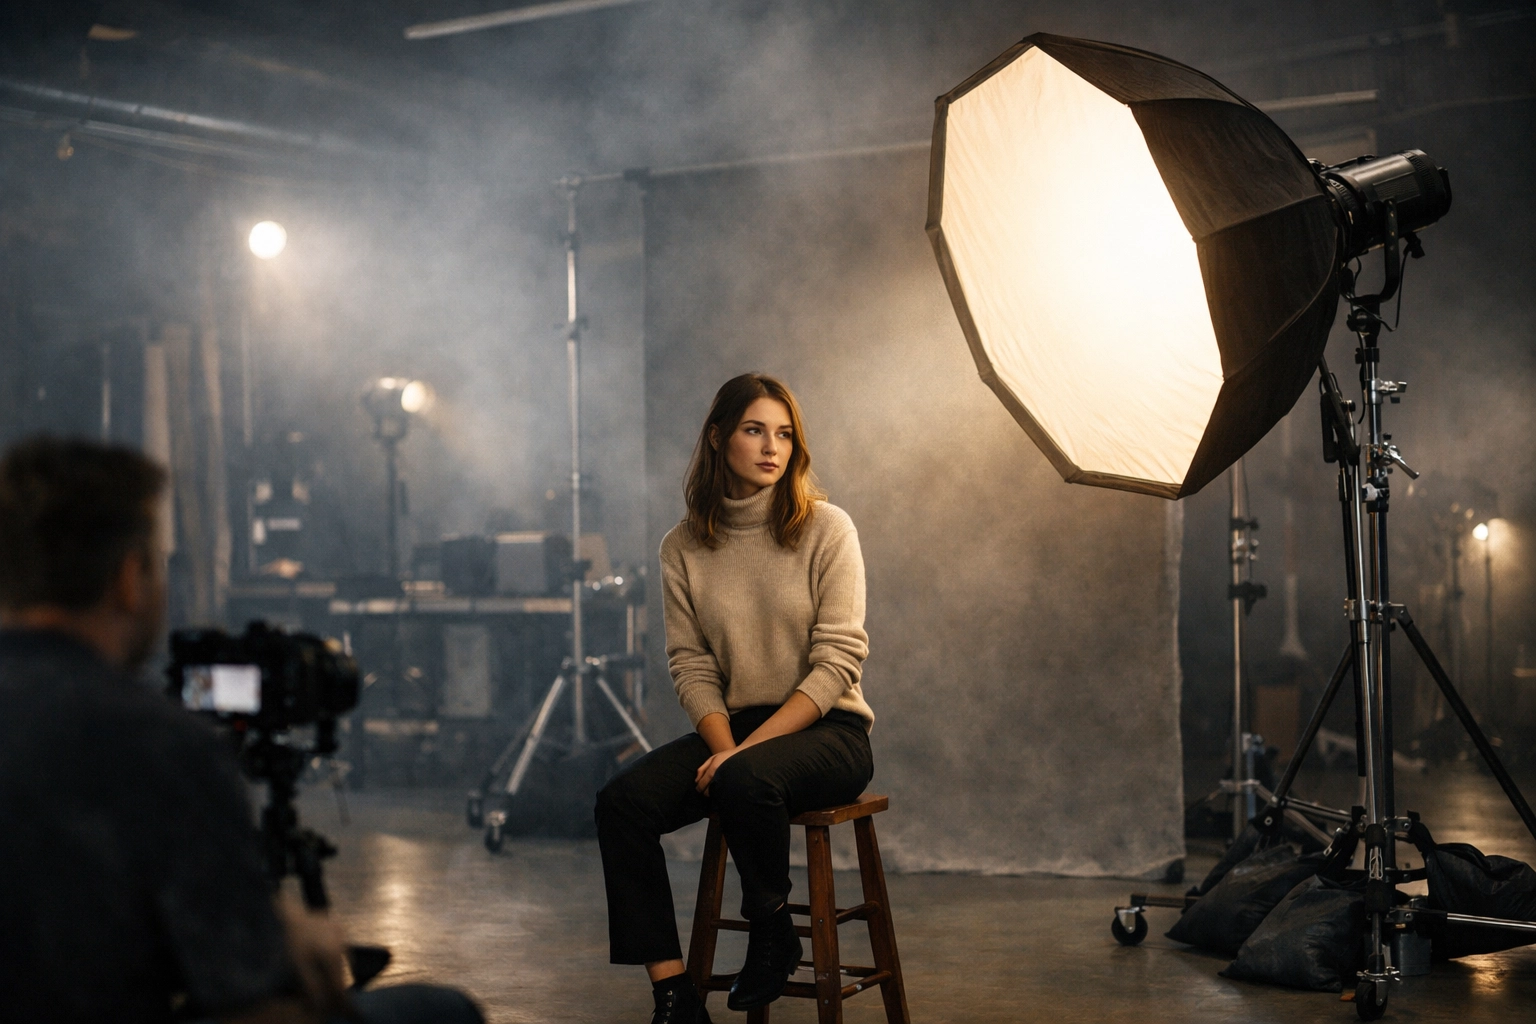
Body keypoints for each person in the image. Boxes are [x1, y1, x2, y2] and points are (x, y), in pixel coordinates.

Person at [0, 436, 482, 1024]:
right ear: (129, 578)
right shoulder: (162, 744)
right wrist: (305, 954)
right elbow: (250, 1004)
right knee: (440, 1011)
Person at [596, 374, 875, 1024]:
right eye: (755, 429)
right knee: (621, 803)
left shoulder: (826, 529)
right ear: (718, 438)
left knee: (746, 777)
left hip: (829, 730)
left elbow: (838, 661)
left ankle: (772, 931)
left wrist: (740, 758)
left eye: (784, 434)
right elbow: (691, 666)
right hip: (737, 732)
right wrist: (728, 751)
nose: (771, 447)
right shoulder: (683, 546)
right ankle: (673, 994)